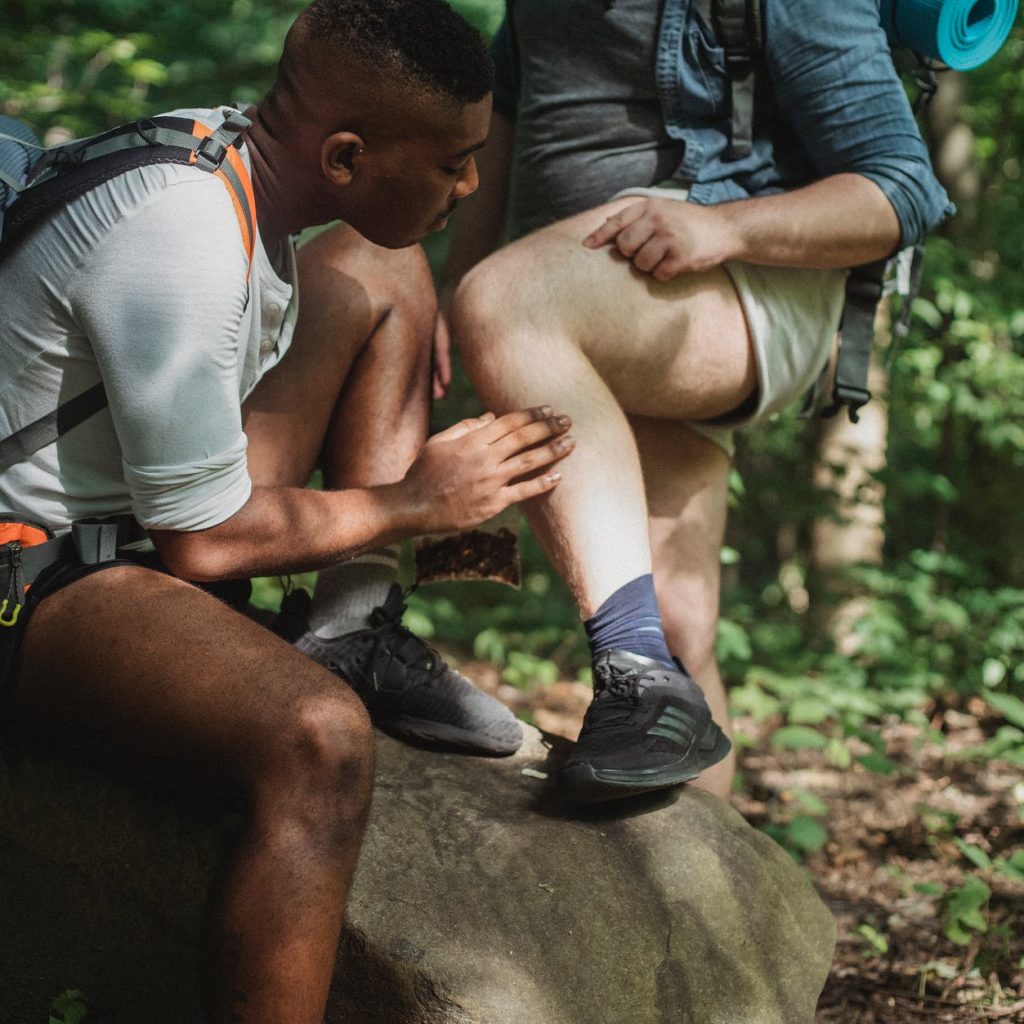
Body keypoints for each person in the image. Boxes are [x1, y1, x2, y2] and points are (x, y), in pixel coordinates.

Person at [0, 1, 576, 1020]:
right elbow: (202, 537)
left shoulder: (227, 156)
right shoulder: (180, 232)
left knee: (386, 263)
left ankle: (353, 624)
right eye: (453, 164)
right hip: (37, 564)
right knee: (320, 739)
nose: (469, 185)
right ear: (345, 157)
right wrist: (413, 502)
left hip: (131, 518)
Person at [440, 0, 953, 804]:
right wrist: (449, 299)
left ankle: (637, 676)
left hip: (733, 280)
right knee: (680, 623)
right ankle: (714, 878)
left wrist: (725, 229)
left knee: (505, 302)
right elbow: (504, 120)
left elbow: (903, 191)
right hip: (594, 291)